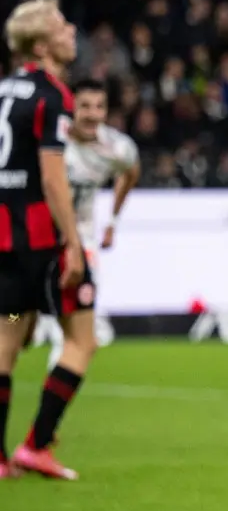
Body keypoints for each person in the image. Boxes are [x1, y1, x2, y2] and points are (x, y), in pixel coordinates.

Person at [0, 0, 95, 481]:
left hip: (4, 238)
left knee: (7, 337)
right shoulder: (51, 95)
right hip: (42, 242)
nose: (70, 29)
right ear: (41, 44)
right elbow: (53, 179)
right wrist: (73, 243)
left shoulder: (3, 91)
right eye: (60, 25)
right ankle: (37, 443)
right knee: (82, 339)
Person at [35, 79, 140, 371]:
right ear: (71, 109)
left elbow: (130, 174)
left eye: (100, 107)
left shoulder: (117, 148)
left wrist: (113, 221)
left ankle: (54, 396)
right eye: (85, 106)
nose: (93, 114)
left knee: (76, 328)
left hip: (80, 242)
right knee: (20, 319)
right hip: (37, 237)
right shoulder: (51, 143)